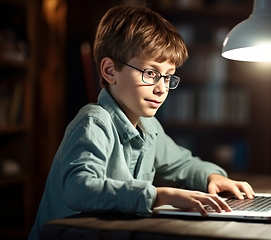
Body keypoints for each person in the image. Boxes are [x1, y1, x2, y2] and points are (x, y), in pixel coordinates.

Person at [28, 5, 255, 240]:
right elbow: (79, 188)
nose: (161, 88)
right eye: (150, 73)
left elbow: (182, 164)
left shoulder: (149, 126)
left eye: (167, 76)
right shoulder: (93, 121)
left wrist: (213, 177)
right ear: (110, 70)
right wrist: (156, 196)